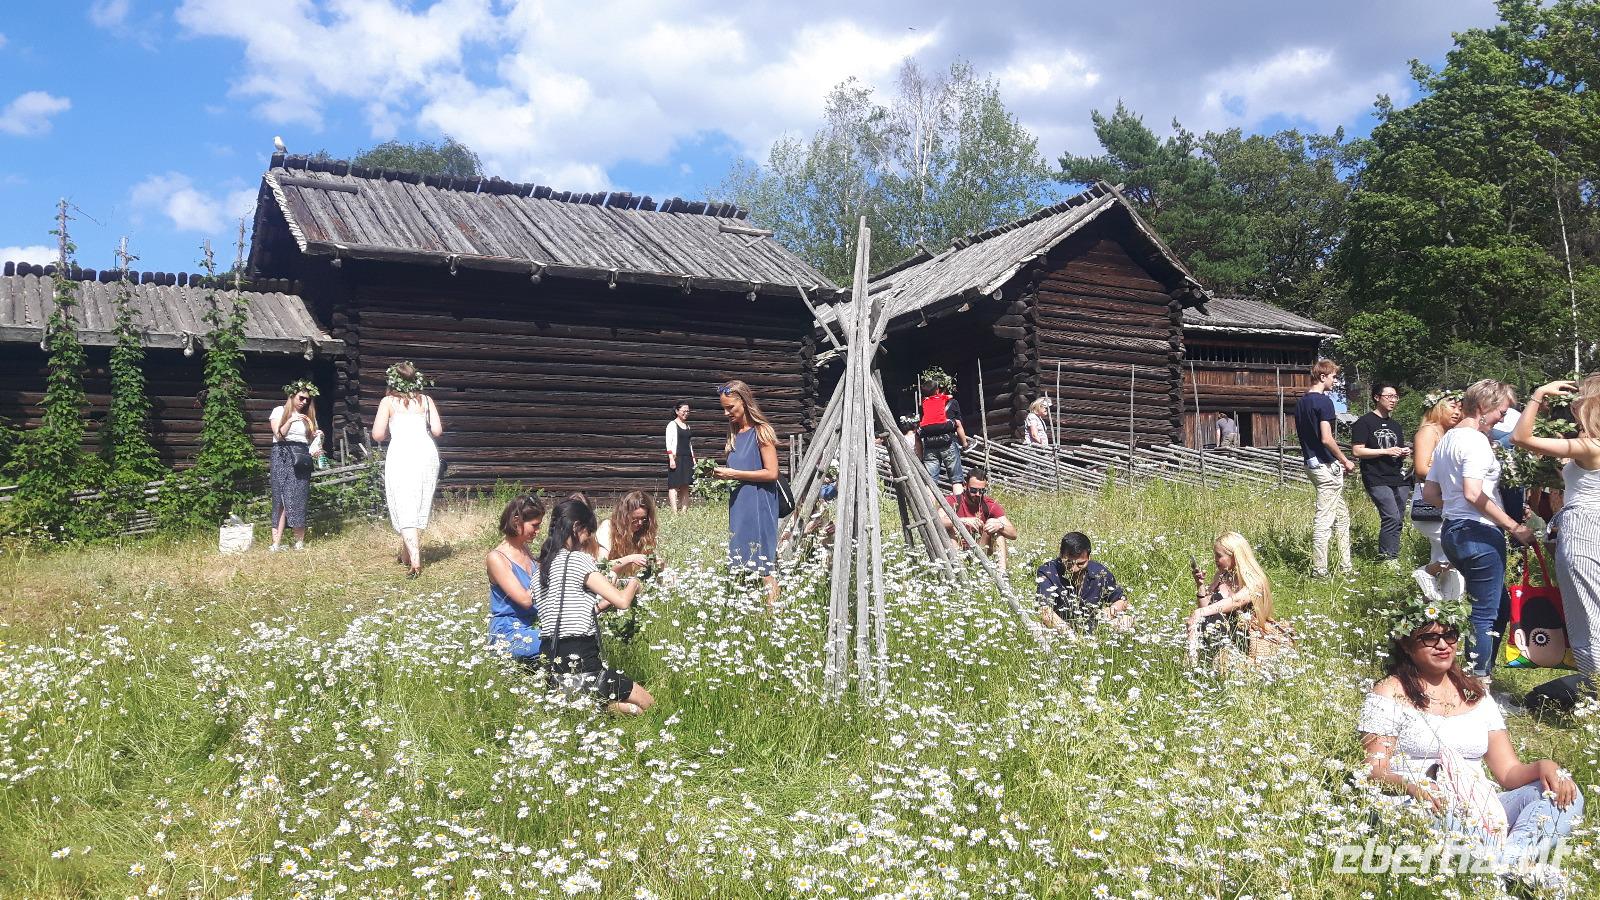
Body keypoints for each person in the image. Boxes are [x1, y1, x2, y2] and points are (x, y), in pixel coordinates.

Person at [1358, 596, 1582, 879]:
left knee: (1565, 794)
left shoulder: (1475, 693)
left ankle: (1505, 863)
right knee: (1437, 812)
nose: (1442, 645)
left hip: (1481, 804)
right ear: (1406, 644)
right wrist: (1411, 786)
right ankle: (1520, 871)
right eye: (1429, 637)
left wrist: (1544, 766)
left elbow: (1509, 773)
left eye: (1449, 635)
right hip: (1422, 804)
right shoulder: (1388, 694)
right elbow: (1375, 771)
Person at [1423, 379, 1534, 681]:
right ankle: (1477, 683)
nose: (1502, 418)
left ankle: (1479, 674)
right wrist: (1513, 526)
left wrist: (1454, 508)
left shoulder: (1448, 439)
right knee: (1484, 614)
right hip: (1479, 534)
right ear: (1483, 408)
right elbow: (1473, 492)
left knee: (1499, 604)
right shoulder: (1474, 441)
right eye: (1501, 412)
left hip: (1455, 531)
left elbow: (1430, 492)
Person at [1512, 375, 1600, 690]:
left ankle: (1595, 694)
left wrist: (1537, 396)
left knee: (1586, 617)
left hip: (1584, 531)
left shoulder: (1589, 446)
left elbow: (1520, 437)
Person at [536, 498, 654, 715]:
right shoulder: (578, 560)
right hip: (581, 657)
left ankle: (603, 708)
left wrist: (602, 603)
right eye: (586, 533)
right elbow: (622, 602)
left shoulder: (542, 567)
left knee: (603, 706)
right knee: (648, 703)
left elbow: (574, 611)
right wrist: (635, 583)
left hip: (550, 662)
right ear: (576, 528)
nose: (586, 540)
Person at [371, 361, 443, 579]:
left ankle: (415, 561)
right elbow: (437, 431)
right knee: (416, 502)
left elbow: (377, 435)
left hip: (402, 453)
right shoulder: (426, 401)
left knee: (404, 502)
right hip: (426, 452)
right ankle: (405, 554)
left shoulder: (388, 402)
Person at [714, 379, 781, 607]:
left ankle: (772, 615)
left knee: (763, 565)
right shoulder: (734, 436)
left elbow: (772, 473)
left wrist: (733, 474)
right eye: (723, 408)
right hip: (740, 505)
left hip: (759, 505)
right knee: (742, 561)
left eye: (730, 407)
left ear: (744, 402)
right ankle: (748, 610)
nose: (726, 413)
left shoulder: (761, 432)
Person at [1295, 359, 1356, 577]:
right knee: (1324, 520)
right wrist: (1345, 460)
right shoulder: (1324, 402)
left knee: (1342, 517)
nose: (1336, 381)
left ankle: (1345, 566)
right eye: (1334, 377)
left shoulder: (1302, 403)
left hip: (1311, 465)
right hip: (1326, 467)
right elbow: (1327, 439)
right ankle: (1319, 570)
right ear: (1323, 377)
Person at [1186, 532, 1274, 665]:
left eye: (1219, 556)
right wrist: (1200, 586)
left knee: (1208, 619)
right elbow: (1205, 608)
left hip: (1241, 637)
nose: (1215, 559)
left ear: (1234, 556)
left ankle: (1197, 661)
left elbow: (1237, 601)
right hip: (1216, 633)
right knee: (1208, 620)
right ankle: (1194, 662)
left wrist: (1199, 613)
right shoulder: (1221, 576)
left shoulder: (1255, 580)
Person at [1351, 384, 1413, 565]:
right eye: (1389, 396)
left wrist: (1403, 451)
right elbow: (1357, 451)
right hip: (1376, 477)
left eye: (1395, 397)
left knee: (1399, 518)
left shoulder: (1395, 425)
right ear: (1377, 397)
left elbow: (1395, 448)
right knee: (1391, 516)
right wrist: (1385, 452)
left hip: (1397, 476)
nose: (1393, 400)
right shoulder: (1364, 422)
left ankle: (1393, 554)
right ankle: (1388, 559)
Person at [486, 494, 546, 663]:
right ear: (517, 521)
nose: (538, 531)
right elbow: (525, 600)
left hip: (533, 625)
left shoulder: (525, 550)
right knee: (560, 641)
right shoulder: (497, 558)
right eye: (534, 525)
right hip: (509, 631)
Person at [1411, 390, 1463, 576]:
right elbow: (1421, 469)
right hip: (1430, 501)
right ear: (1438, 407)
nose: (1457, 412)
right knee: (1457, 546)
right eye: (1452, 406)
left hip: (1444, 501)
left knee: (1442, 553)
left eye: (1460, 408)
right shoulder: (1428, 432)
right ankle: (1424, 574)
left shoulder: (1449, 435)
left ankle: (1435, 599)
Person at [267, 379, 323, 552]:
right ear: (292, 396)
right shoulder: (279, 411)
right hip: (282, 454)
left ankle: (299, 542)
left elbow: (310, 442)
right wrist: (291, 420)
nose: (304, 402)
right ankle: (276, 543)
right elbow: (279, 434)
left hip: (301, 456)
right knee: (280, 498)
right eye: (301, 398)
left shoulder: (309, 417)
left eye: (307, 399)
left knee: (299, 497)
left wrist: (317, 438)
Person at [1035, 531, 1130, 632]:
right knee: (1036, 627)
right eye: (1069, 562)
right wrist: (1070, 635)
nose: (1074, 569)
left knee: (1127, 621)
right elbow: (1044, 611)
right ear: (1061, 555)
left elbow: (1122, 601)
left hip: (1094, 627)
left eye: (1080, 563)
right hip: (1060, 628)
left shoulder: (1099, 572)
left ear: (1089, 557)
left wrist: (1110, 612)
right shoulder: (1048, 571)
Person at [939, 466, 1017, 569]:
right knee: (950, 527)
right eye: (973, 490)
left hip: (980, 548)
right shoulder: (953, 501)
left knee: (997, 529)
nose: (977, 494)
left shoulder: (989, 504)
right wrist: (960, 521)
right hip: (956, 548)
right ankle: (958, 567)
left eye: (981, 491)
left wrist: (1000, 526)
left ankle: (1002, 573)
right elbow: (937, 521)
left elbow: (1013, 534)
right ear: (965, 486)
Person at [918, 371, 969, 490]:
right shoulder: (950, 401)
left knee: (930, 482)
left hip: (929, 443)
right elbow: (958, 422)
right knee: (956, 479)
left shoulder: (924, 403)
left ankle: (929, 507)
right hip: (947, 442)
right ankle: (966, 444)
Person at [597, 490, 658, 580]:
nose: (640, 523)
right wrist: (630, 559)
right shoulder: (608, 527)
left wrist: (659, 564)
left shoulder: (645, 532)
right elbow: (601, 566)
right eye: (634, 519)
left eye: (643, 518)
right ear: (624, 516)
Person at [665, 401, 694, 513]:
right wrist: (671, 458)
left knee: (685, 485)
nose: (686, 413)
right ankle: (674, 512)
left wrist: (693, 459)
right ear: (677, 411)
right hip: (676, 458)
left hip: (687, 458)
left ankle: (684, 511)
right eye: (684, 411)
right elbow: (668, 442)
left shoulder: (687, 426)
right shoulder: (672, 425)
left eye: (688, 411)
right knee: (674, 485)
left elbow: (690, 444)